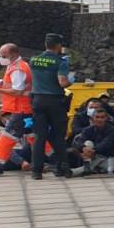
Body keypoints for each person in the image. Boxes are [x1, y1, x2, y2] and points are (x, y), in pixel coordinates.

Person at [0, 43, 31, 178]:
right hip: (19, 109)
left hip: (19, 110)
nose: (0, 58)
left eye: (3, 56)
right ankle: (54, 159)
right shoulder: (15, 66)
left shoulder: (18, 69)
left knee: (5, 137)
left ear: (13, 54)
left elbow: (18, 91)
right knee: (33, 136)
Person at [27, 33, 73, 179]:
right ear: (58, 46)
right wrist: (72, 79)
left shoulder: (33, 60)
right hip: (55, 101)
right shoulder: (60, 62)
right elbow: (63, 82)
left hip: (37, 100)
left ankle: (36, 171)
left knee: (40, 136)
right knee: (58, 136)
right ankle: (63, 167)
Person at [68, 107, 114, 177]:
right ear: (93, 118)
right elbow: (79, 142)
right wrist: (83, 148)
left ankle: (76, 171)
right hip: (89, 156)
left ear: (106, 119)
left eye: (102, 117)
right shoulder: (87, 130)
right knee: (88, 143)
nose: (99, 119)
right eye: (97, 117)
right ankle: (92, 168)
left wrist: (93, 151)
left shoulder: (112, 130)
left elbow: (105, 145)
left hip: (107, 157)